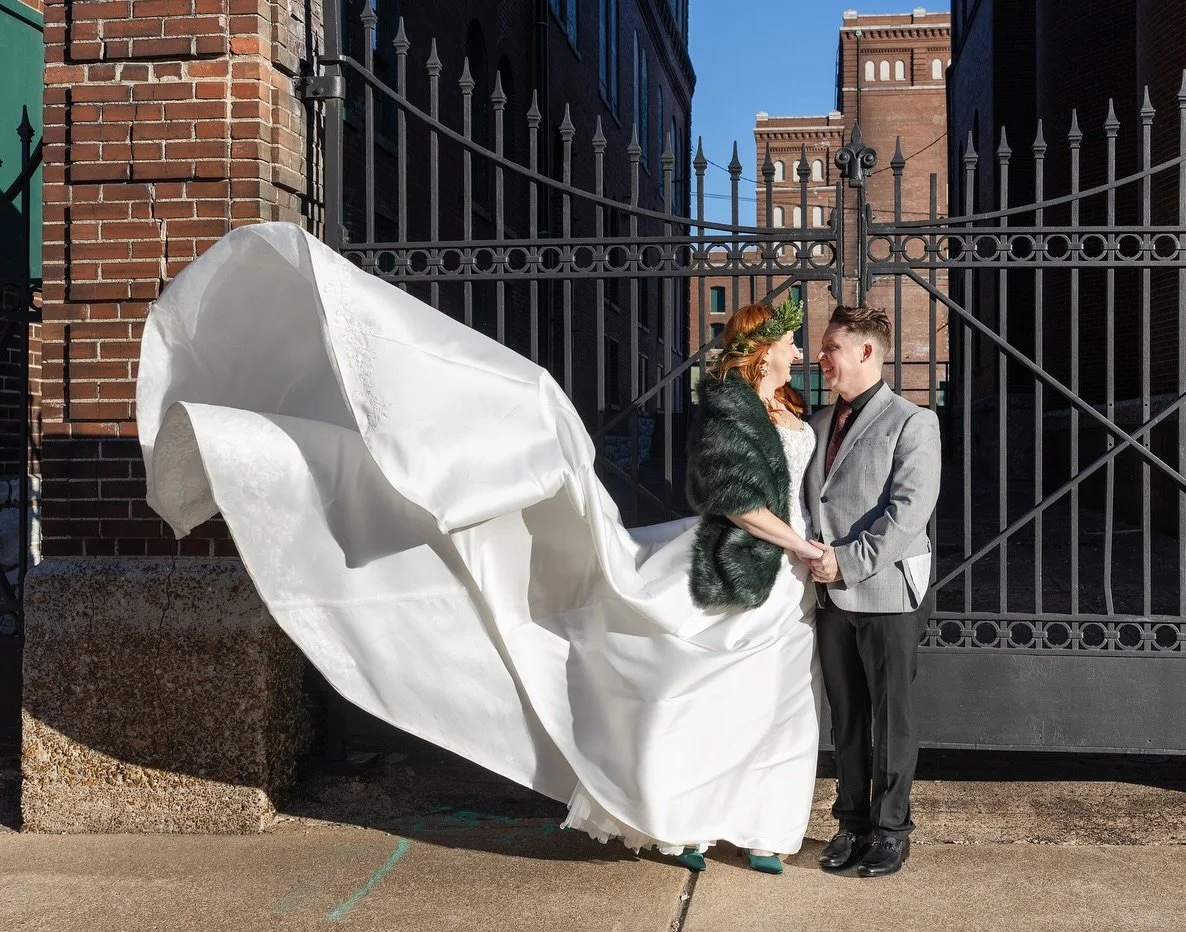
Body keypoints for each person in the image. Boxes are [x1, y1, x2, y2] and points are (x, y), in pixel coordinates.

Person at [136, 222, 822, 876]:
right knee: (684, 684)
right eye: (791, 341)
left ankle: (767, 829)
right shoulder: (729, 410)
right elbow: (732, 498)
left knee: (777, 695)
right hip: (742, 558)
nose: (801, 351)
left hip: (786, 573)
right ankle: (680, 817)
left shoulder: (793, 409)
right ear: (761, 348)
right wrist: (802, 544)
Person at [802, 305, 942, 878]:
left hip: (886, 591)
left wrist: (846, 563)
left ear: (865, 351)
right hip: (830, 595)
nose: (821, 357)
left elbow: (909, 513)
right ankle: (851, 822)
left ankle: (891, 830)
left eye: (830, 347)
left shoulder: (913, 422)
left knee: (891, 716)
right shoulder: (814, 423)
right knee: (847, 716)